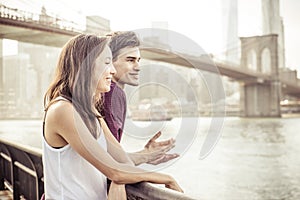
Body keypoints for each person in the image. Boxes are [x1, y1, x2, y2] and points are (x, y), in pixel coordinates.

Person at [42, 34, 183, 199]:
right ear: (86, 65)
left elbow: (123, 163)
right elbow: (115, 171)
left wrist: (143, 157)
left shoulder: (92, 113)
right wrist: (167, 178)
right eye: (107, 63)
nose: (113, 70)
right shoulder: (62, 110)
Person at [99, 31, 179, 166]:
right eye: (130, 60)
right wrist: (146, 157)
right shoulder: (113, 93)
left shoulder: (106, 92)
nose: (137, 67)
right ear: (109, 62)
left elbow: (108, 155)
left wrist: (145, 154)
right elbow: (112, 162)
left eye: (138, 60)